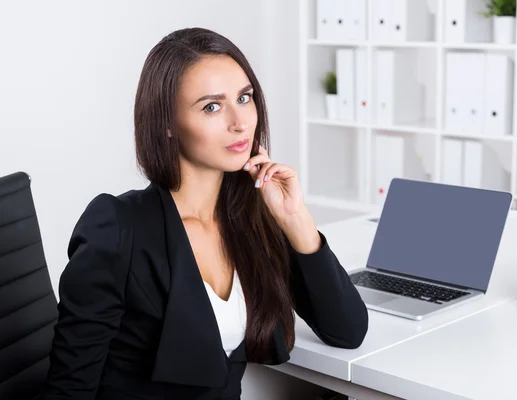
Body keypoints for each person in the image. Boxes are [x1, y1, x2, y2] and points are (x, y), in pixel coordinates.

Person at [41, 27, 368, 400]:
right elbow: (68, 390)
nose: (240, 122)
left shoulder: (251, 217)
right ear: (166, 123)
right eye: (212, 106)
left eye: (245, 98)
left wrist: (297, 222)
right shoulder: (117, 227)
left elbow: (347, 330)